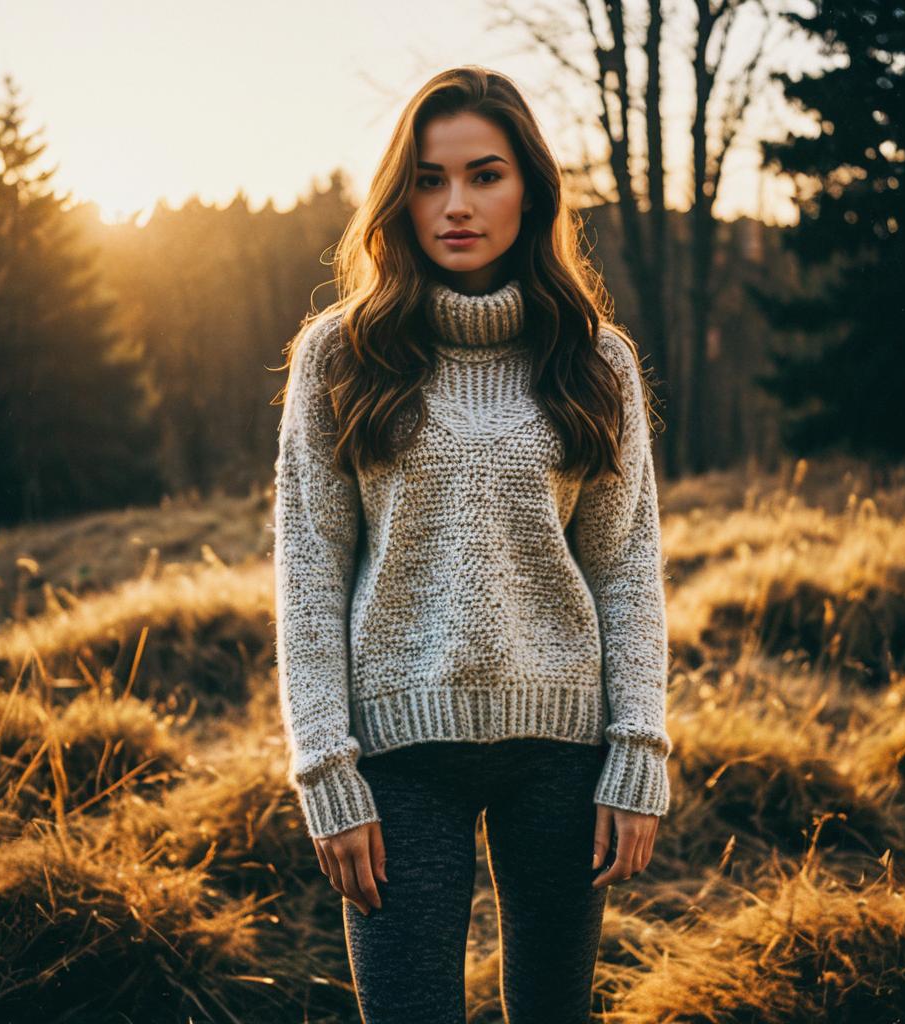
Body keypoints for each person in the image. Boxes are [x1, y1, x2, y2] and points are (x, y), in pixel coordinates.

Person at [273, 65, 672, 1024]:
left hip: (562, 755)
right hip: (394, 761)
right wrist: (327, 772)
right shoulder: (342, 352)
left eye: (484, 175)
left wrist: (639, 752)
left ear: (530, 187)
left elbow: (625, 567)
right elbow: (308, 569)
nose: (456, 204)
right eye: (428, 178)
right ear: (398, 195)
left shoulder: (593, 357)